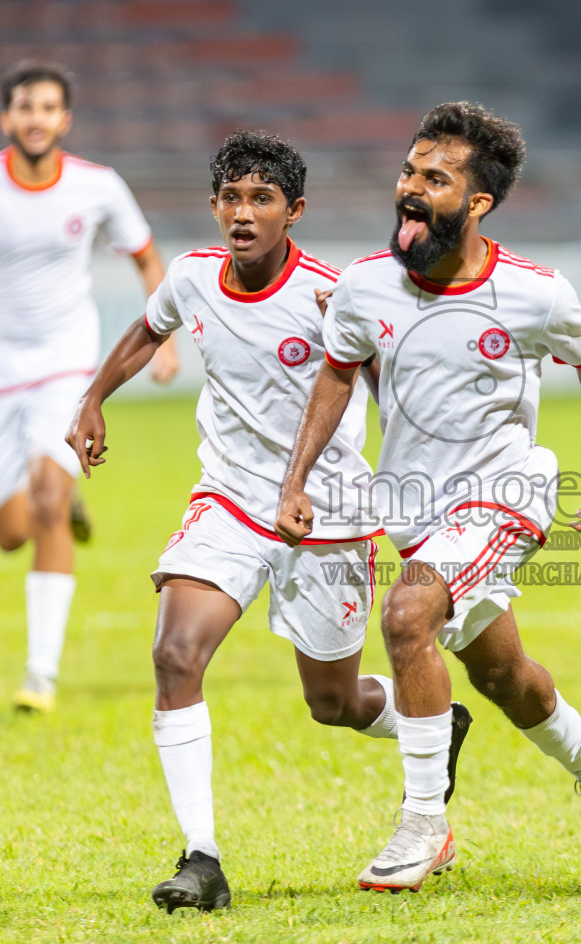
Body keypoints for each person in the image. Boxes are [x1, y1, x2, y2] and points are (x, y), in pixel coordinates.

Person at [64, 131, 470, 912]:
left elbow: (396, 382)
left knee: (333, 704)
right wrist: (92, 397)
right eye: (231, 198)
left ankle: (429, 719)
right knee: (176, 654)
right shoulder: (191, 279)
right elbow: (150, 329)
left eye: (262, 199)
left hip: (329, 515)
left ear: (295, 211)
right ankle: (201, 858)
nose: (242, 214)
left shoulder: (333, 292)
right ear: (214, 205)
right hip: (229, 497)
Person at [275, 102, 581, 894]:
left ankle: (423, 824)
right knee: (505, 678)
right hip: (415, 508)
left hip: (507, 493)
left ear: (477, 203)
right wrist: (296, 479)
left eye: (435, 179)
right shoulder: (367, 286)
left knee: (406, 617)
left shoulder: (534, 293)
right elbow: (338, 373)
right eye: (409, 171)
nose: (410, 188)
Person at [0, 60, 179, 714]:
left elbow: (146, 256)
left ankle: (40, 675)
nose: (36, 118)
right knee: (11, 530)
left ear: (65, 119)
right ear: (7, 118)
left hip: (66, 364)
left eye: (48, 107)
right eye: (24, 107)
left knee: (49, 499)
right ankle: (55, 500)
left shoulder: (98, 187)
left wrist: (166, 336)